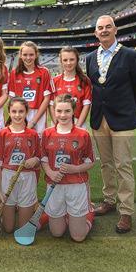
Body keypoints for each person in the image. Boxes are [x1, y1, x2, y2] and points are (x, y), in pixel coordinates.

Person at [85, 15, 136, 234]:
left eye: (107, 27)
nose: (103, 30)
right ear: (95, 33)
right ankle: (109, 200)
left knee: (123, 165)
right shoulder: (91, 57)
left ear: (115, 29)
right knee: (106, 164)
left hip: (122, 119)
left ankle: (126, 211)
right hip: (99, 119)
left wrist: (128, 110)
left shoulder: (130, 55)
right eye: (100, 28)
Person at [41, 94, 95, 242]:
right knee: (57, 233)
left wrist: (74, 169)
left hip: (76, 185)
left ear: (73, 112)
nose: (63, 115)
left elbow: (90, 161)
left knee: (78, 237)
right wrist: (50, 173)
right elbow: (43, 158)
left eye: (67, 111)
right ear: (54, 111)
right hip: (54, 186)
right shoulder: (47, 133)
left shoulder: (83, 134)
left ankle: (90, 213)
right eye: (59, 111)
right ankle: (64, 214)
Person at [0, 97, 41, 233]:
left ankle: (39, 216)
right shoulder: (3, 133)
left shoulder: (33, 134)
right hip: (8, 177)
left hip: (27, 178)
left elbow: (39, 158)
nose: (17, 115)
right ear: (9, 112)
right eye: (14, 111)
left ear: (26, 113)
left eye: (21, 111)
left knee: (22, 228)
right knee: (8, 228)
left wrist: (35, 160)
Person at [8, 41, 53, 134]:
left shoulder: (44, 72)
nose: (28, 58)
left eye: (31, 54)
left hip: (39, 114)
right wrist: (21, 117)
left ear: (36, 55)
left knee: (39, 142)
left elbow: (47, 98)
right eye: (25, 54)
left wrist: (33, 121)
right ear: (20, 55)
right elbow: (12, 99)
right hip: (20, 113)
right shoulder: (14, 73)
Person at [50, 46, 92, 128]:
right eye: (65, 60)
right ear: (61, 62)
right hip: (59, 122)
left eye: (72, 59)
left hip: (78, 123)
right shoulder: (54, 81)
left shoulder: (84, 80)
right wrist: (56, 124)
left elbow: (86, 105)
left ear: (77, 60)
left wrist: (78, 126)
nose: (68, 63)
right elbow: (51, 105)